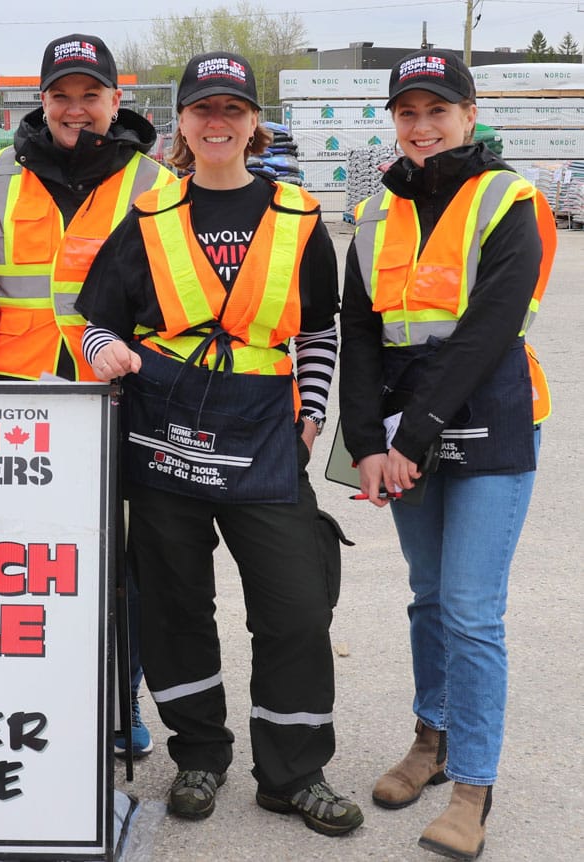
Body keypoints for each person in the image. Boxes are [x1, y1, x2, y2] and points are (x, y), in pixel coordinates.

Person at [76, 51, 363, 836]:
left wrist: (311, 409)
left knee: (297, 607)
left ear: (253, 124)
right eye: (204, 109)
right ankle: (200, 754)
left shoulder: (299, 217)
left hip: (265, 433)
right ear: (183, 123)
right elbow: (97, 319)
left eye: (233, 110)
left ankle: (293, 773)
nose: (217, 123)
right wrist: (105, 352)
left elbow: (316, 329)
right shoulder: (150, 216)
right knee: (173, 606)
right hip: (163, 429)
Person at [339, 50, 556, 861]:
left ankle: (473, 784)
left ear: (470, 115)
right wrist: (366, 443)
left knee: (470, 609)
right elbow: (358, 334)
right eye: (408, 113)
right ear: (393, 122)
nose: (422, 127)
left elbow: (491, 328)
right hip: (402, 438)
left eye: (438, 111)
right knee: (428, 597)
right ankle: (428, 744)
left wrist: (410, 438)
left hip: (490, 420)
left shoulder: (513, 199)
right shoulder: (372, 214)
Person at [0, 34, 177, 758]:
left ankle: (120, 702)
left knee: (125, 562)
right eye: (62, 94)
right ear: (42, 100)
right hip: (14, 397)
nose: (76, 109)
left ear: (116, 101)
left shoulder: (155, 185)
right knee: (17, 560)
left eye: (92, 94)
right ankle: (29, 700)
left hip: (117, 395)